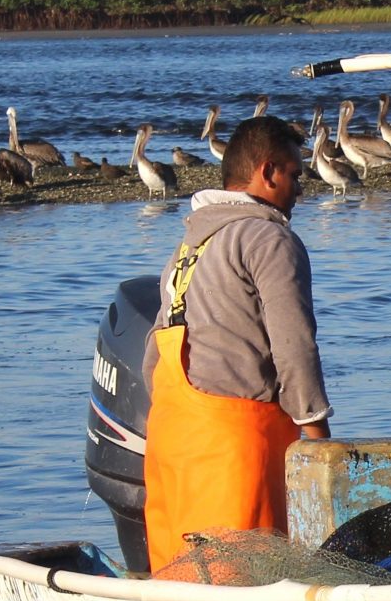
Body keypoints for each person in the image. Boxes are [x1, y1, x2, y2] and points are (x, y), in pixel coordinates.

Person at [142, 115, 331, 568]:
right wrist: (318, 436)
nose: (300, 189)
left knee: (179, 580)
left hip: (169, 442)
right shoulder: (267, 237)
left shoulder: (190, 244)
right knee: (244, 579)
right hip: (236, 448)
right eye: (294, 174)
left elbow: (153, 351)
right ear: (267, 172)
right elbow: (294, 343)